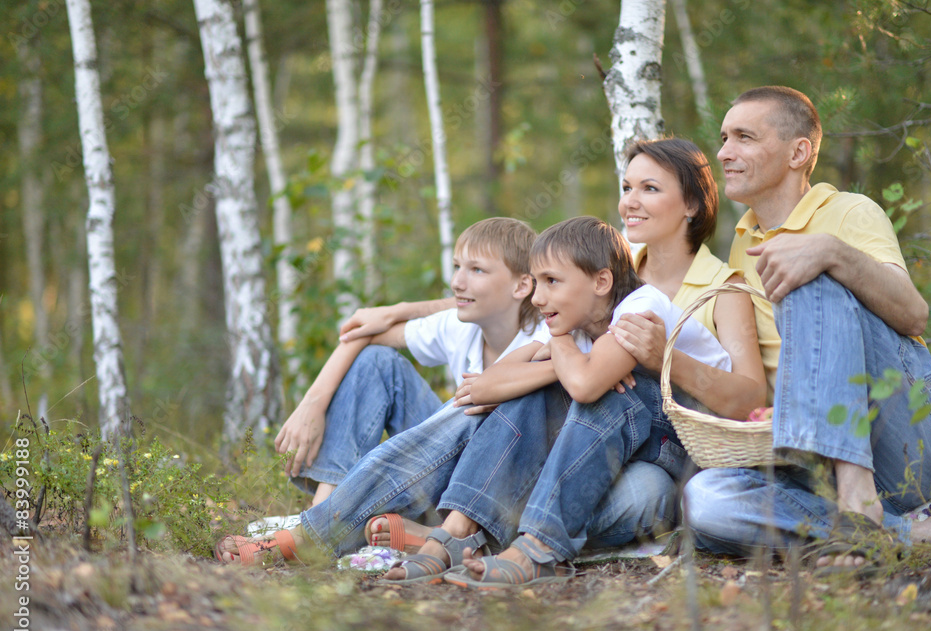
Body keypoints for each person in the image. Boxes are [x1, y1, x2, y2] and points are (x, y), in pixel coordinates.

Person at [440, 143, 769, 588]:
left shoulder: (720, 288)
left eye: (649, 188)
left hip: (682, 449)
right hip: (604, 445)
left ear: (691, 204)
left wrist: (658, 360)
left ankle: (503, 538)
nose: (630, 200)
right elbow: (518, 376)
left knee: (622, 410)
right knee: (559, 393)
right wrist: (568, 356)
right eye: (626, 186)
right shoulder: (597, 280)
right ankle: (485, 536)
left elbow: (751, 400)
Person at [680, 86, 931, 573]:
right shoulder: (741, 241)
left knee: (809, 276)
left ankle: (859, 502)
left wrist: (831, 252)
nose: (724, 152)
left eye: (744, 137)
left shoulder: (850, 211)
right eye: (724, 138)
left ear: (799, 152)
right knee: (703, 500)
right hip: (811, 457)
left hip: (907, 435)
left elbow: (913, 314)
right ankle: (908, 532)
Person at [381, 214, 737, 583]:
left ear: (601, 281)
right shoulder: (581, 319)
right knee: (544, 385)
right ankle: (457, 528)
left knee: (606, 391)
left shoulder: (638, 308)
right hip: (639, 446)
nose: (538, 297)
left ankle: (537, 547)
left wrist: (564, 344)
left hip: (692, 448)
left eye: (551, 281)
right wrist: (564, 356)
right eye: (536, 282)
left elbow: (585, 387)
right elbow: (487, 384)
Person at [215, 217, 547, 563]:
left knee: (471, 407)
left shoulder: (545, 334)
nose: (456, 282)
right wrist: (311, 405)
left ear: (522, 286)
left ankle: (313, 536)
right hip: (446, 468)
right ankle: (323, 510)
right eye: (456, 267)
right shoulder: (461, 325)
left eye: (476, 270)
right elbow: (363, 336)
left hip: (498, 491)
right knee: (376, 362)